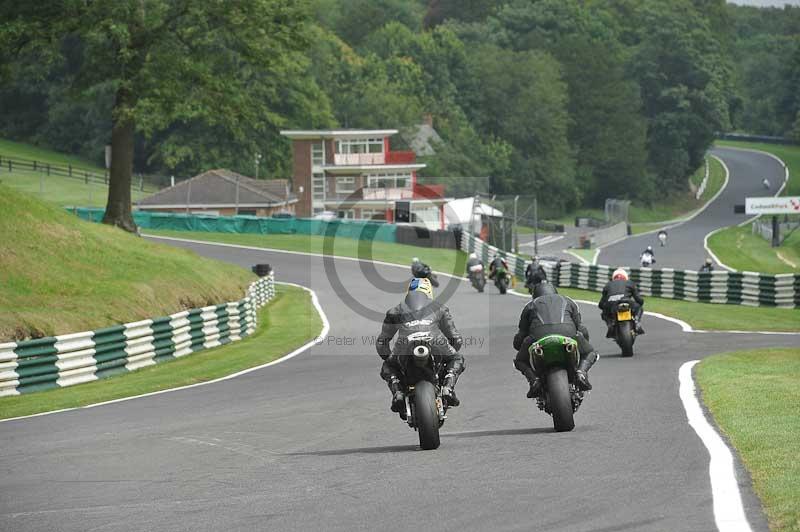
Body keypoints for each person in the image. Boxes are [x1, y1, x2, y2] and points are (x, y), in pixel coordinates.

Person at [377, 277, 465, 418]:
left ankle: (398, 392)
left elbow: (382, 342)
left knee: (387, 366)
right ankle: (448, 387)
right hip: (435, 342)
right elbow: (456, 339)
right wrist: (449, 353)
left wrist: (389, 359)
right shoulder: (440, 307)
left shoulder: (394, 311)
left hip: (405, 346)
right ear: (429, 291)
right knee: (457, 358)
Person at [513, 281, 599, 397]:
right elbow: (580, 328)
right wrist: (584, 341)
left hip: (538, 338)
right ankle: (581, 373)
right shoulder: (568, 300)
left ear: (535, 295)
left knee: (519, 360)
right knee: (590, 352)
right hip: (568, 335)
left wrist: (518, 344)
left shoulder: (530, 305)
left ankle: (534, 381)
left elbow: (521, 335)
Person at [599, 268, 645, 336]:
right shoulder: (630, 283)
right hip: (627, 302)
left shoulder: (608, 285)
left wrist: (604, 308)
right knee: (639, 308)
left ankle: (610, 325)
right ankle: (637, 321)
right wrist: (640, 303)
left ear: (613, 277)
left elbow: (601, 304)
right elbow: (639, 299)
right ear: (625, 276)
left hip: (612, 304)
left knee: (604, 314)